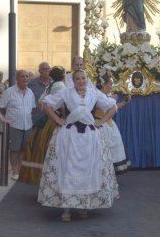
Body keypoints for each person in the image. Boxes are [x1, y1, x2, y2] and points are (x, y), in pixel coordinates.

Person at [38, 70, 118, 222]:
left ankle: (85, 205)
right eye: (77, 79)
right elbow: (46, 104)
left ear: (87, 79)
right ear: (72, 80)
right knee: (68, 168)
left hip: (89, 136)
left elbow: (112, 106)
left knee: (88, 169)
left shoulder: (94, 93)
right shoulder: (65, 93)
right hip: (70, 136)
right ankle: (66, 208)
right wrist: (58, 119)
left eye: (83, 78)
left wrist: (101, 121)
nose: (81, 81)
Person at [19, 66, 67, 185]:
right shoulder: (60, 86)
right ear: (63, 76)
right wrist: (60, 114)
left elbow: (40, 102)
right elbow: (58, 104)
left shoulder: (49, 86)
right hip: (55, 120)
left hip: (48, 120)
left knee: (41, 147)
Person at [0, 70, 36, 180]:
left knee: (23, 149)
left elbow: (32, 108)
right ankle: (14, 170)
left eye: (27, 76)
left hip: (28, 125)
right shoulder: (9, 92)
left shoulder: (30, 92)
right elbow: (1, 107)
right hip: (15, 125)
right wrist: (5, 120)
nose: (25, 78)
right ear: (17, 78)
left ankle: (20, 169)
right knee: (14, 149)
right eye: (22, 76)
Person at [96, 73, 131, 173]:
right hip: (100, 123)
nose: (111, 86)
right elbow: (108, 108)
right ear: (103, 84)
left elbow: (113, 108)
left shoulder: (106, 96)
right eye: (110, 84)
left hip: (109, 123)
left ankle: (108, 175)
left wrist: (124, 102)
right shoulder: (99, 95)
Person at [28, 62, 51, 127]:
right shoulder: (32, 84)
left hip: (51, 119)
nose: (47, 71)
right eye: (44, 69)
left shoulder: (55, 83)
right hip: (37, 118)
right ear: (39, 71)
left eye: (48, 69)